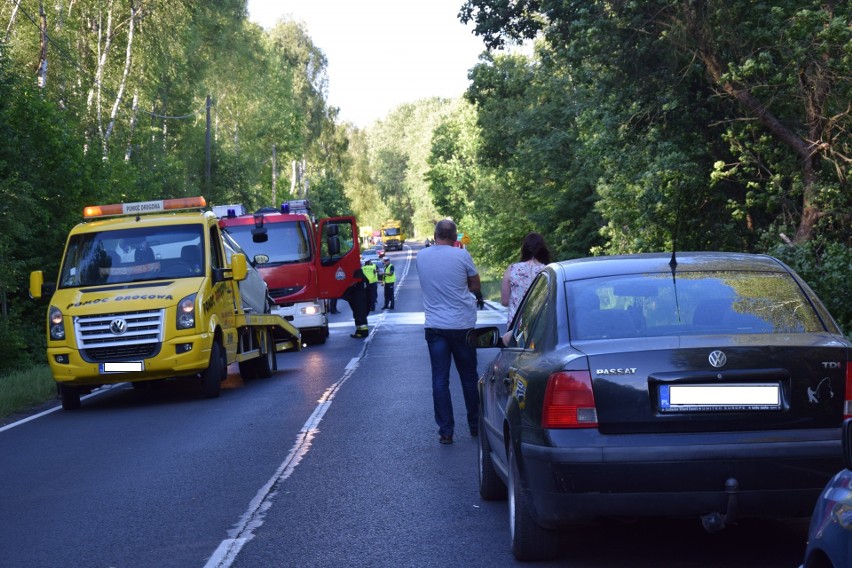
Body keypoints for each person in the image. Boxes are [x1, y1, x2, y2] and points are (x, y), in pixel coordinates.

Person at [416, 219, 484, 444]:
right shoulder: (462, 255)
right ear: (455, 238)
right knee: (468, 376)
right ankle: (475, 426)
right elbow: (475, 286)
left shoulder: (422, 256)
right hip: (462, 325)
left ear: (435, 235)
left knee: (439, 379)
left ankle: (446, 431)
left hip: (435, 326)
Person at [501, 232, 551, 325]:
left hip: (516, 326)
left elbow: (505, 301)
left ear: (524, 249)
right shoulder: (548, 270)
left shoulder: (512, 269)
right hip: (540, 325)